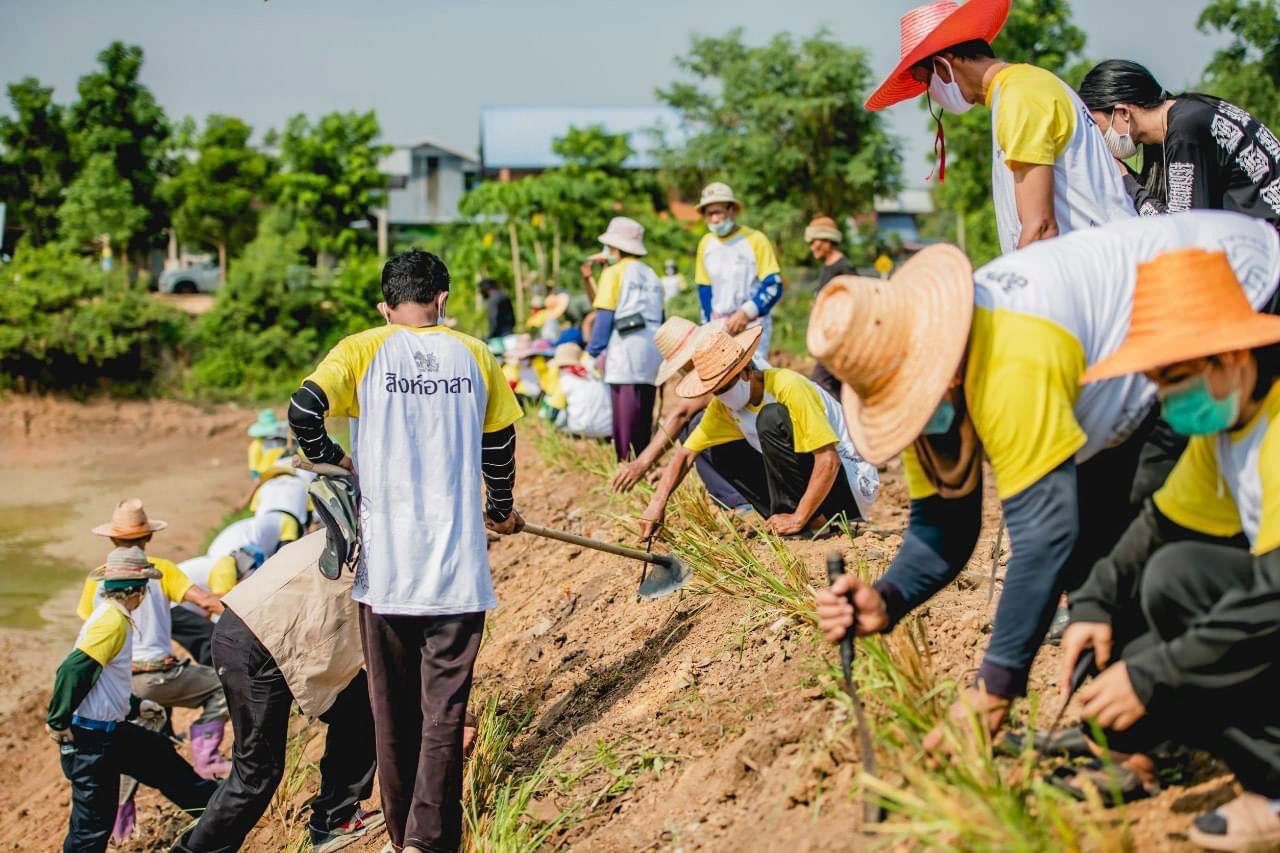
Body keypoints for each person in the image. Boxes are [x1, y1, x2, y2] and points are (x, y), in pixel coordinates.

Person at [811, 212, 1280, 749]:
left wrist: (995, 688)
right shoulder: (930, 386)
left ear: (944, 369)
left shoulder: (1010, 359)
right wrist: (887, 598)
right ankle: (1133, 733)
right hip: (1122, 368)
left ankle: (1169, 732)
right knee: (1099, 567)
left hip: (1227, 292)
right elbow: (943, 527)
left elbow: (1046, 535)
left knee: (1154, 539)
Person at [288, 249, 524, 853]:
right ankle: (428, 840)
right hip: (455, 570)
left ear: (384, 306)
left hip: (387, 573)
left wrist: (342, 462)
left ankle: (400, 840)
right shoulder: (475, 354)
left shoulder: (361, 348)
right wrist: (500, 508)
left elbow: (302, 411)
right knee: (443, 713)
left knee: (391, 717)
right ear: (442, 300)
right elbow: (498, 444)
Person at [1051, 250, 1280, 847]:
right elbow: (1157, 529)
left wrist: (1153, 675)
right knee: (1174, 579)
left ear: (1230, 358)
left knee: (1179, 611)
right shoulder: (1231, 429)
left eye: (1174, 381)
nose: (1167, 402)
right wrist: (1096, 604)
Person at [174, 475, 383, 853]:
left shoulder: (360, 525)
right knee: (257, 773)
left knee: (358, 709)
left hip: (264, 630)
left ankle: (334, 819)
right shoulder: (379, 546)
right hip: (259, 641)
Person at [864, 0, 1134, 254]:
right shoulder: (1025, 87)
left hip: (1098, 275)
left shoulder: (1021, 96)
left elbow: (1040, 227)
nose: (931, 94)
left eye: (926, 82)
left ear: (943, 64)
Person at [48, 546, 217, 853]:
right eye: (144, 588)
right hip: (90, 742)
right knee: (90, 830)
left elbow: (105, 681)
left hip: (111, 732)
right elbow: (72, 670)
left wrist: (138, 705)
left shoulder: (114, 617)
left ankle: (218, 820)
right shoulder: (111, 622)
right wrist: (58, 721)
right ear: (135, 590)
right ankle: (218, 818)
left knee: (164, 762)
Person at [639, 327, 879, 540]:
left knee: (771, 419)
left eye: (726, 385)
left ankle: (806, 520)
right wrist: (657, 504)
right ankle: (790, 516)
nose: (722, 395)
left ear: (745, 371)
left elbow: (829, 460)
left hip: (851, 483)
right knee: (718, 449)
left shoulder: (787, 386)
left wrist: (799, 517)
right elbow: (685, 455)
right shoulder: (723, 408)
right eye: (715, 390)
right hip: (817, 486)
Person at [77, 499, 232, 780]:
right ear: (149, 535)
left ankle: (122, 820)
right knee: (225, 686)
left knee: (130, 750)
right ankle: (207, 758)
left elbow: (89, 629)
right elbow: (207, 602)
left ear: (112, 538)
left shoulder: (97, 578)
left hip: (118, 684)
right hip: (159, 676)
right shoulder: (162, 569)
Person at [1078, 59, 1280, 230]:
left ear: (1123, 112)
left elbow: (1181, 230)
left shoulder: (1186, 131)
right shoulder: (1187, 112)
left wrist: (1122, 178)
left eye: (1098, 127)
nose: (1100, 138)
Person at [610, 316, 752, 512]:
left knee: (695, 425)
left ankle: (740, 500)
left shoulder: (723, 360)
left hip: (763, 443)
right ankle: (732, 497)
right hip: (750, 437)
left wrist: (642, 463)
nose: (683, 372)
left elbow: (682, 413)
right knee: (691, 429)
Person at [583, 217, 665, 462]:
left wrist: (592, 351)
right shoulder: (652, 275)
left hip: (625, 346)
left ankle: (625, 464)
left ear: (614, 248)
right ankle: (644, 461)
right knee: (645, 407)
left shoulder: (614, 272)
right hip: (652, 346)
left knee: (624, 409)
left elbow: (605, 315)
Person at [694, 182, 785, 354]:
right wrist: (709, 328)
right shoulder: (705, 244)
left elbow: (774, 285)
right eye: (709, 214)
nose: (714, 219)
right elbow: (704, 290)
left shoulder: (755, 239)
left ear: (732, 211)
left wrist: (746, 313)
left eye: (718, 212)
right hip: (720, 329)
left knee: (753, 379)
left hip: (752, 324)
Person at [173, 546, 264, 666]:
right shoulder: (226, 571)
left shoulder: (225, 563)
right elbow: (217, 608)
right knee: (213, 641)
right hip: (174, 607)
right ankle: (219, 676)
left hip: (177, 607)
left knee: (207, 642)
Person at [804, 216, 854, 398]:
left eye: (814, 242)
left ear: (827, 241)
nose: (812, 248)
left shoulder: (844, 269)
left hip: (839, 341)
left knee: (820, 383)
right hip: (829, 339)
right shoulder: (827, 267)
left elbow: (852, 306)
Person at [545, 342, 612, 439]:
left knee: (563, 413)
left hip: (579, 431)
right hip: (607, 430)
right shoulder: (596, 375)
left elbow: (553, 411)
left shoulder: (566, 379)